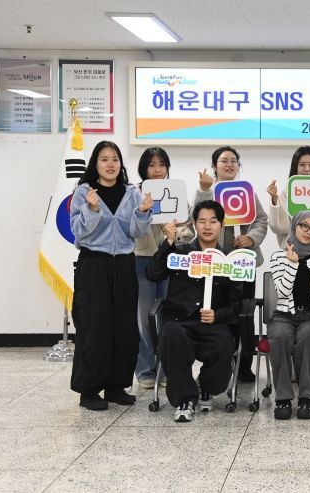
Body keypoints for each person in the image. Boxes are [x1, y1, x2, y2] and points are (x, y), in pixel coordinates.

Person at [69, 141, 153, 411]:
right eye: (104, 159)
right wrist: (91, 210)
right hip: (94, 264)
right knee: (95, 327)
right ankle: (89, 390)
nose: (110, 164)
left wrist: (142, 213)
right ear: (95, 164)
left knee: (124, 327)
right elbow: (78, 231)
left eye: (115, 159)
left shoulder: (131, 192)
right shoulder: (84, 192)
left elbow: (137, 232)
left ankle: (117, 386)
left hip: (125, 264)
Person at [146, 200, 243, 423]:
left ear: (222, 225)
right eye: (202, 221)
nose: (207, 226)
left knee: (223, 347)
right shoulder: (180, 253)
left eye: (213, 221)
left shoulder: (230, 261)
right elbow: (153, 274)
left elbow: (235, 304)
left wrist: (218, 315)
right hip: (179, 320)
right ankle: (185, 399)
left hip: (213, 323)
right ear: (194, 224)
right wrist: (168, 242)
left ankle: (205, 385)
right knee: (172, 336)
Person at [196, 146, 268, 382]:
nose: (229, 164)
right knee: (217, 314)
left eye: (233, 161)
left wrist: (251, 238)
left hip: (244, 264)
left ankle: (244, 365)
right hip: (216, 266)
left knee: (244, 314)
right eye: (224, 160)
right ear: (214, 166)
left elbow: (261, 220)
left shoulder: (246, 191)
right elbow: (196, 220)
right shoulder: (208, 191)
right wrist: (204, 190)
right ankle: (218, 364)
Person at [133, 147, 194, 389]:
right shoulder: (134, 194)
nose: (157, 170)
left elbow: (189, 232)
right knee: (143, 317)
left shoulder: (178, 194)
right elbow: (130, 228)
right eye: (152, 165)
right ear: (144, 168)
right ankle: (145, 369)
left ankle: (167, 366)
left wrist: (174, 234)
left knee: (169, 314)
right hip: (142, 259)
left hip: (170, 260)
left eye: (162, 164)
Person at [268, 211, 310, 420]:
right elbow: (282, 292)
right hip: (283, 315)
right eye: (304, 226)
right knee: (279, 336)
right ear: (294, 226)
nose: (309, 232)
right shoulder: (278, 256)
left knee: (307, 337)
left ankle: (306, 398)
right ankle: (283, 398)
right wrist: (292, 264)